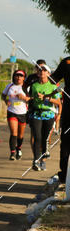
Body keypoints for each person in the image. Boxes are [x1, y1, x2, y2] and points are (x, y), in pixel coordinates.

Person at [25, 64, 62, 171]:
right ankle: (36, 160)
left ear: (48, 73)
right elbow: (29, 96)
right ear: (37, 73)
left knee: (45, 138)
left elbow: (58, 102)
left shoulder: (53, 86)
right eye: (40, 70)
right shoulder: (34, 85)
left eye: (44, 70)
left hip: (48, 114)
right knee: (37, 137)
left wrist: (47, 98)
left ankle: (43, 160)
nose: (42, 72)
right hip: (36, 114)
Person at [1, 70, 28, 160]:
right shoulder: (10, 86)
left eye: (21, 75)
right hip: (12, 112)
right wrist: (6, 101)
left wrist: (23, 97)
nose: (19, 77)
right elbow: (3, 95)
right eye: (17, 75)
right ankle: (12, 153)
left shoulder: (26, 87)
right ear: (14, 76)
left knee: (20, 135)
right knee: (14, 133)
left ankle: (18, 148)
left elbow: (32, 98)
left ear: (24, 77)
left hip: (23, 113)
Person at [51, 54, 70, 184]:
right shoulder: (66, 62)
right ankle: (64, 175)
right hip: (69, 108)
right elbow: (53, 80)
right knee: (67, 142)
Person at [24, 59, 46, 157]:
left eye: (43, 68)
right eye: (38, 68)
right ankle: (36, 157)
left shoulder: (49, 78)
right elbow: (24, 86)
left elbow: (56, 89)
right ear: (36, 68)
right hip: (33, 108)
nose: (40, 70)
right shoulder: (31, 78)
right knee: (35, 135)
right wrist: (28, 95)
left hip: (47, 109)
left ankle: (43, 153)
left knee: (44, 136)